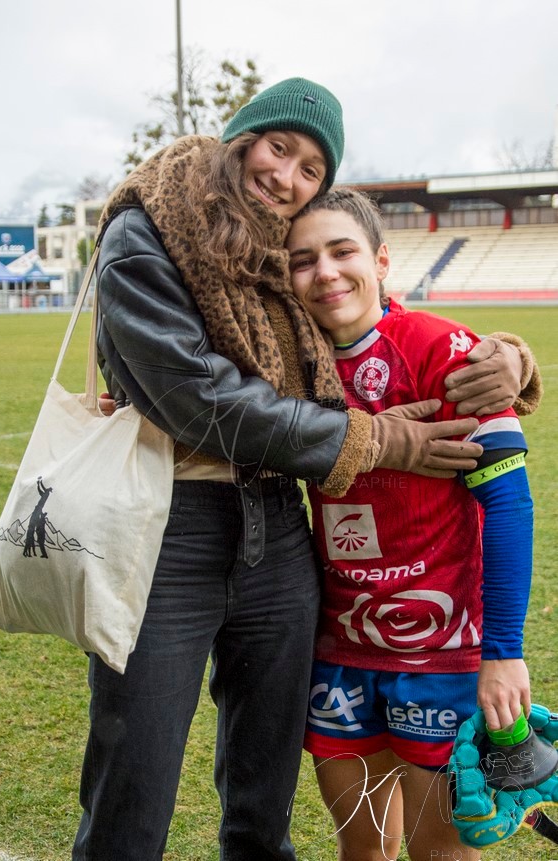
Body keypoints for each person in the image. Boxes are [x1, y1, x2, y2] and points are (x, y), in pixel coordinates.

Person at [75, 78, 539, 861]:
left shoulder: (284, 275)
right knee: (136, 774)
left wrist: (511, 362)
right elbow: (203, 398)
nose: (285, 175)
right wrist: (379, 441)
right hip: (170, 528)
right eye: (277, 147)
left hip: (281, 531)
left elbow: (384, 337)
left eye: (310, 168)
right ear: (240, 138)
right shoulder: (147, 226)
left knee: (265, 794)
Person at [285, 188, 537, 861]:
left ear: (382, 259)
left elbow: (508, 503)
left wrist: (502, 651)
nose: (326, 272)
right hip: (338, 651)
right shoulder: (285, 365)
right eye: (303, 260)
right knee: (361, 850)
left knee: (440, 852)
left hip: (442, 654)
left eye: (342, 251)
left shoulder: (440, 347)